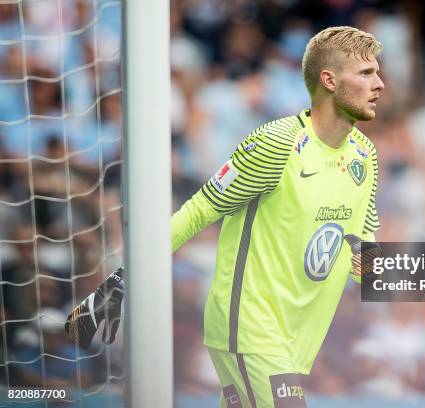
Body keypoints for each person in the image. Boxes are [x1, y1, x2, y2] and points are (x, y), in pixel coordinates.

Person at [67, 25, 384, 407]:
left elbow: (362, 252)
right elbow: (201, 209)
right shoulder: (278, 143)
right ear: (329, 80)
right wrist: (120, 280)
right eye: (366, 73)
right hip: (248, 326)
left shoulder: (364, 154)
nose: (379, 83)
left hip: (296, 339)